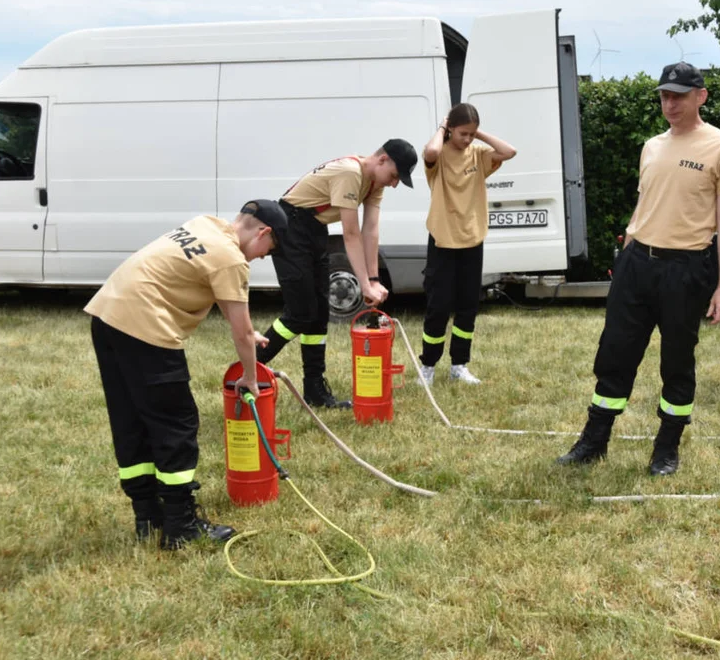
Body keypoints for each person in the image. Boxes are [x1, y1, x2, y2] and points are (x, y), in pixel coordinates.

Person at [556, 62, 720, 476]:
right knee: (615, 352)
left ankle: (666, 447)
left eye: (678, 95)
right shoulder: (652, 146)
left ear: (701, 96)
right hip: (637, 263)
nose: (670, 103)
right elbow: (648, 203)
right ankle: (594, 440)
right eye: (664, 95)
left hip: (686, 268)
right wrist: (628, 248)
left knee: (677, 360)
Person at [86, 200, 287, 550]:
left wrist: (248, 332)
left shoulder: (205, 225)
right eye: (268, 250)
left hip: (108, 316)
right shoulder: (232, 259)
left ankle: (147, 516)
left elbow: (228, 308)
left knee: (131, 419)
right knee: (175, 422)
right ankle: (181, 525)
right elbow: (238, 333)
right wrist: (251, 379)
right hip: (145, 327)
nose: (262, 257)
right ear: (263, 232)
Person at [254, 140, 418, 407]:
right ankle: (248, 365)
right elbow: (351, 233)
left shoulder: (374, 182)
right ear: (383, 159)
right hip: (290, 228)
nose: (394, 183)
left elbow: (370, 231)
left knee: (319, 314)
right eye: (395, 176)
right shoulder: (350, 173)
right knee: (300, 314)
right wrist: (363, 284)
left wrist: (374, 280)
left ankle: (315, 391)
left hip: (314, 229)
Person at [417, 103, 517, 386]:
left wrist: (478, 133)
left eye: (471, 134)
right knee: (438, 306)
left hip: (472, 239)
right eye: (463, 134)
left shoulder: (479, 154)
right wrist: (442, 127)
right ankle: (428, 365)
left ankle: (459, 365)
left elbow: (510, 152)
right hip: (443, 240)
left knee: (467, 306)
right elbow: (431, 152)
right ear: (450, 130)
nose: (468, 139)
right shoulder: (439, 157)